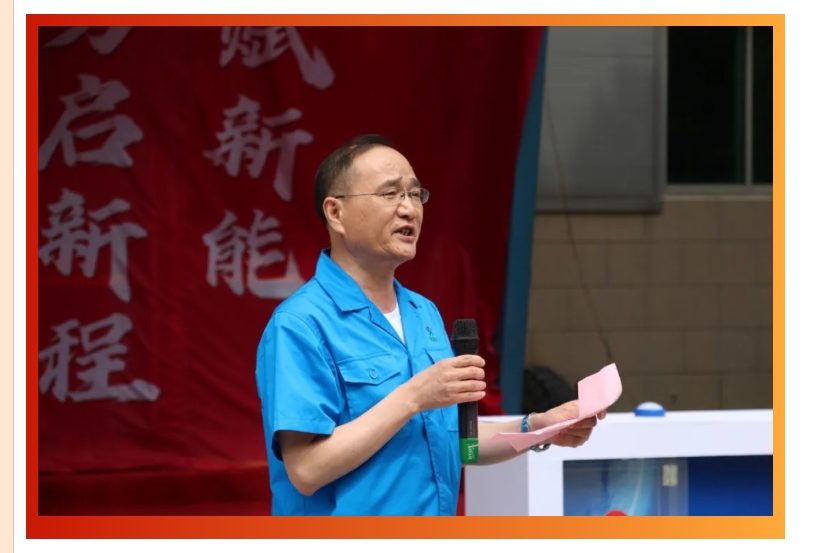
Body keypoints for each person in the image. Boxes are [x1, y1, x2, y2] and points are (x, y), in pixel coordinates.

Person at [254, 134, 605, 516]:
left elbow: (459, 443)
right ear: (336, 212)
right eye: (390, 194)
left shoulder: (423, 313)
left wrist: (537, 427)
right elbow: (306, 471)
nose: (409, 209)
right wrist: (413, 397)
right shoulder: (300, 324)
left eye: (415, 194)